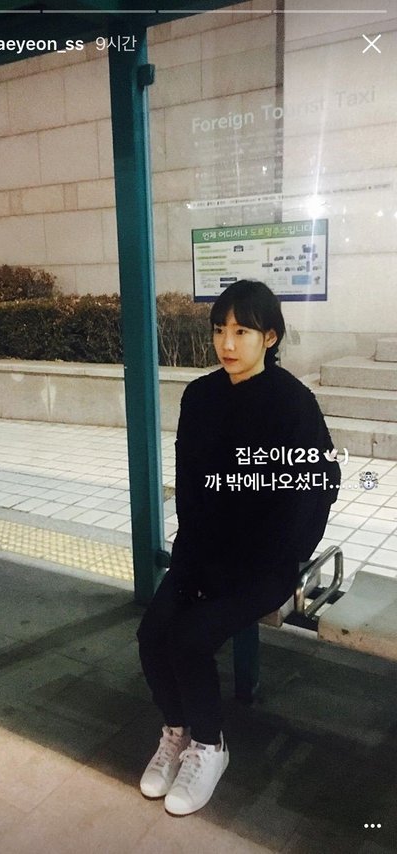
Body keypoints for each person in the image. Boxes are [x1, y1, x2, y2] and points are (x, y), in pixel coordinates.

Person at [137, 279, 340, 816]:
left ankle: (210, 746)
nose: (227, 343)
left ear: (269, 337)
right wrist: (192, 557)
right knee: (152, 634)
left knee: (190, 638)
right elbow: (190, 483)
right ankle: (177, 731)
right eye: (219, 330)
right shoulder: (199, 396)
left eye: (242, 331)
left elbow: (319, 485)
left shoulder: (292, 403)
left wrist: (275, 558)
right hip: (201, 557)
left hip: (262, 567)